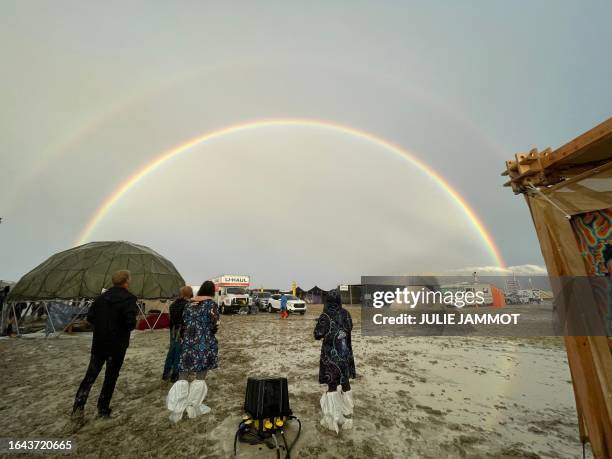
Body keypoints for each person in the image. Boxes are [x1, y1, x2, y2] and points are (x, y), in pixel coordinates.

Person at [72, 270, 137, 419]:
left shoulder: (101, 298)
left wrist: (103, 327)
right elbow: (130, 323)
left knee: (90, 375)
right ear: (126, 281)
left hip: (100, 342)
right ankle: (103, 409)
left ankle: (78, 406)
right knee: (111, 377)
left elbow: (91, 317)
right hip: (117, 345)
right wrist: (122, 327)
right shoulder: (129, 299)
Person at [166, 280, 219, 423]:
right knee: (200, 375)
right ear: (212, 292)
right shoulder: (211, 305)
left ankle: (178, 407)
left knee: (183, 375)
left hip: (188, 342)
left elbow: (183, 322)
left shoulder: (189, 304)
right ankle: (193, 407)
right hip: (204, 343)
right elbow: (215, 325)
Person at [314, 289, 356, 433]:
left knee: (332, 386)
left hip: (330, 358)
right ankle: (348, 417)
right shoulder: (346, 313)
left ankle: (333, 419)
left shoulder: (325, 315)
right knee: (345, 383)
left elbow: (317, 334)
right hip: (345, 356)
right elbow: (350, 327)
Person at [162, 286, 193, 382]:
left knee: (172, 351)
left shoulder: (174, 304)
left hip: (173, 330)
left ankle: (166, 373)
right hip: (181, 331)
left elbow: (171, 319)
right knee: (178, 353)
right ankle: (175, 375)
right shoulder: (188, 305)